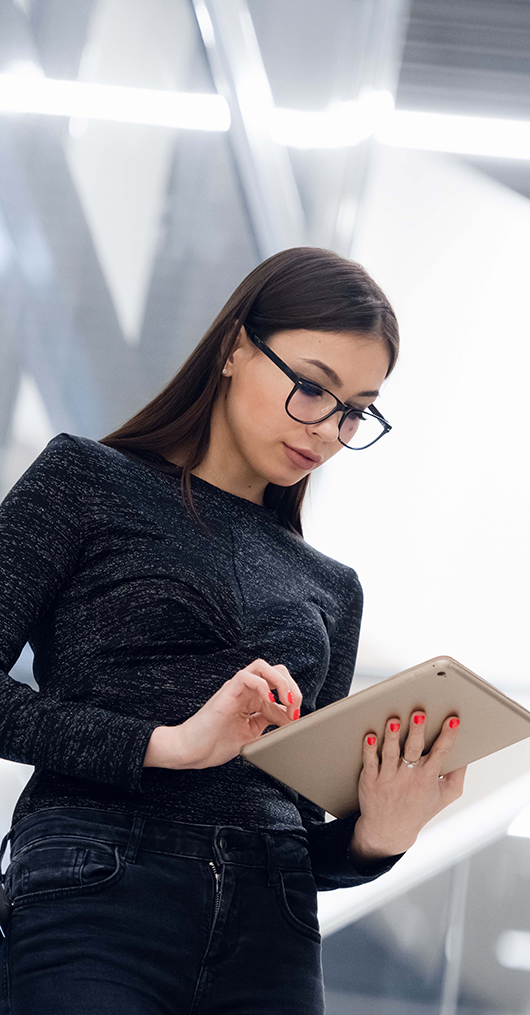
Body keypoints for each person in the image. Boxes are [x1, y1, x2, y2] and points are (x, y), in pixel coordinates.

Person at [0, 247, 466, 1014]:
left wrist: (378, 835)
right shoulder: (83, 481)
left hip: (274, 921)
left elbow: (299, 824)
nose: (327, 428)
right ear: (234, 348)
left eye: (355, 409)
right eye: (312, 387)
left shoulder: (333, 588)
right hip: (96, 887)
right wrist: (169, 743)